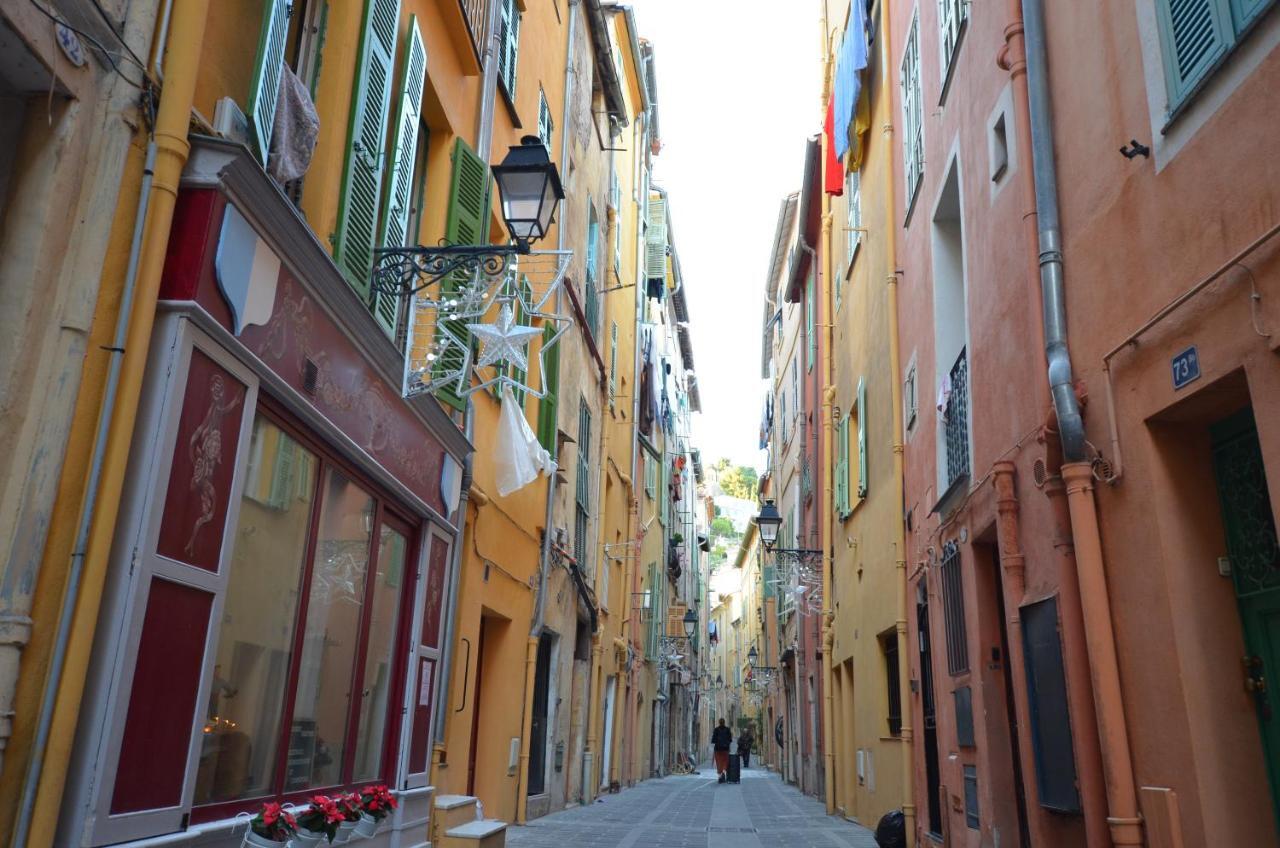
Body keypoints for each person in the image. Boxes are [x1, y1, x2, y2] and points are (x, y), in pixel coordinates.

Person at [712, 718, 733, 783]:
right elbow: (730, 740)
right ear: (724, 722)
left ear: (719, 722)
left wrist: (717, 741)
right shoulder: (727, 729)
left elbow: (713, 740)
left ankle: (719, 776)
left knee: (719, 762)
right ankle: (723, 772)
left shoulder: (716, 730)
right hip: (725, 749)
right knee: (725, 761)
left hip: (717, 749)